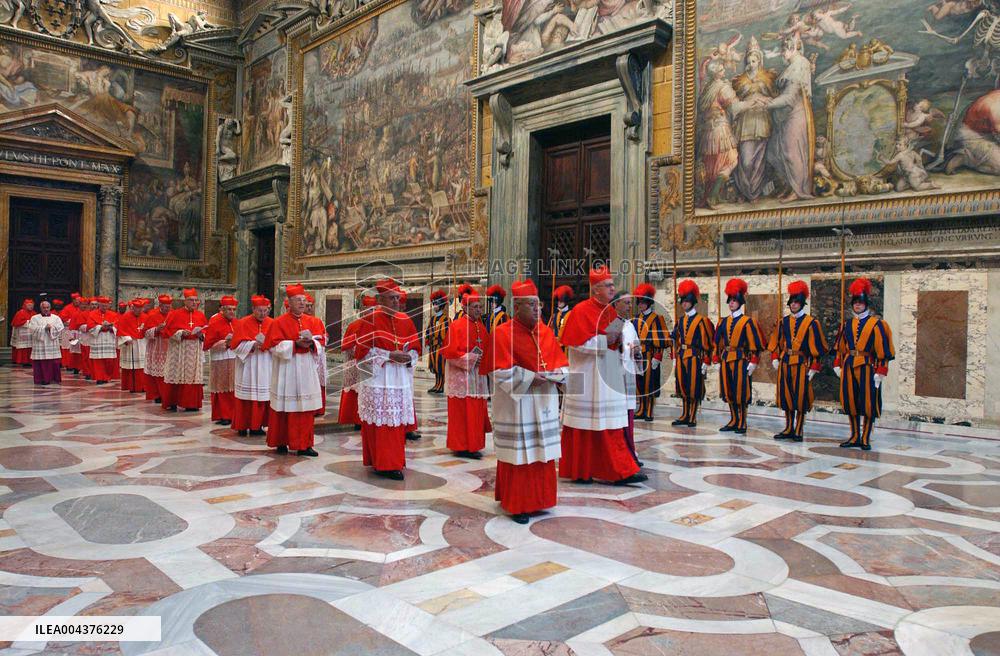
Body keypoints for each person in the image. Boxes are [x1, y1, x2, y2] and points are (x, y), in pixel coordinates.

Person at [481, 278, 568, 524]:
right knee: (520, 455)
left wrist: (559, 376)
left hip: (544, 402)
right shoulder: (502, 334)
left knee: (542, 453)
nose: (537, 309)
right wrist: (530, 378)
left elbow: (562, 363)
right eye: (531, 305)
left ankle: (541, 500)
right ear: (516, 306)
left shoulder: (546, 332)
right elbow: (497, 372)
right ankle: (518, 504)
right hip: (518, 405)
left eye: (538, 305)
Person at [558, 267, 646, 486]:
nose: (612, 288)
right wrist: (604, 341)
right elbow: (576, 344)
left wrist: (626, 346)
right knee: (585, 427)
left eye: (613, 285)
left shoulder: (609, 312)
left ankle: (621, 470)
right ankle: (582, 471)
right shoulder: (580, 311)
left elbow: (615, 342)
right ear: (595, 289)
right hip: (588, 378)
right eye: (608, 285)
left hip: (608, 378)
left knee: (611, 426)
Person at [355, 278, 420, 480]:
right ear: (380, 299)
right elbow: (362, 355)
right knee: (381, 424)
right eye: (391, 298)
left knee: (395, 423)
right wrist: (389, 356)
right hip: (379, 378)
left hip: (399, 378)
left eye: (397, 298)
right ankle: (383, 462)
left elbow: (416, 348)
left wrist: (409, 357)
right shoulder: (370, 320)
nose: (396, 302)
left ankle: (393, 461)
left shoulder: (405, 320)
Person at [833, 278, 895, 450]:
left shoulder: (878, 324)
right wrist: (837, 364)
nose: (857, 306)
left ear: (866, 304)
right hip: (849, 365)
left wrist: (881, 371)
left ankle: (866, 437)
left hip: (868, 366)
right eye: (855, 303)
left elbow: (884, 350)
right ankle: (854, 435)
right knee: (851, 402)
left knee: (868, 402)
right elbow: (840, 347)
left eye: (860, 303)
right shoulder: (846, 324)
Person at [265, 284, 325, 456]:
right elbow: (273, 346)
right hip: (287, 368)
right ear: (289, 302)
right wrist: (294, 344)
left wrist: (312, 343)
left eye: (303, 300)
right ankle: (281, 441)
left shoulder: (313, 321)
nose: (301, 303)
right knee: (285, 406)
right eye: (298, 300)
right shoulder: (278, 322)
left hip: (306, 367)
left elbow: (321, 342)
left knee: (305, 408)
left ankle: (304, 445)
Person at [767, 280, 828, 441]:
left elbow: (817, 347)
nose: (794, 305)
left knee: (800, 397)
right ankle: (788, 427)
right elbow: (776, 342)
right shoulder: (783, 322)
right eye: (792, 302)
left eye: (797, 302)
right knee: (786, 396)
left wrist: (814, 367)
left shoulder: (811, 323)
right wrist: (775, 358)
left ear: (802, 304)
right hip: (785, 362)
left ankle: (799, 429)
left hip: (802, 364)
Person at [442, 289, 491, 459]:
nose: (479, 310)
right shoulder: (456, 326)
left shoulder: (481, 327)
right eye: (476, 307)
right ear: (466, 308)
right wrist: (470, 359)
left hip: (477, 377)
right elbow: (450, 353)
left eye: (480, 307)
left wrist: (484, 359)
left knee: (476, 412)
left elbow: (487, 348)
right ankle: (461, 446)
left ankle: (474, 444)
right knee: (462, 413)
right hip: (461, 378)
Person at [713, 279, 765, 434]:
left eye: (734, 301)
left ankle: (742, 421)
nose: (731, 303)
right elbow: (717, 341)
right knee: (729, 391)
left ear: (740, 302)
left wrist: (754, 361)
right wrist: (716, 358)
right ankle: (733, 419)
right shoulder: (723, 322)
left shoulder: (748, 321)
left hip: (741, 360)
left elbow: (755, 344)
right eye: (730, 300)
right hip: (726, 359)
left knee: (741, 392)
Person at [670, 280, 715, 427]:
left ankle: (693, 416)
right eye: (682, 301)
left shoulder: (703, 321)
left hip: (695, 357)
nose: (684, 303)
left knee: (694, 386)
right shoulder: (680, 321)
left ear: (693, 302)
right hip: (681, 356)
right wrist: (675, 356)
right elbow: (675, 340)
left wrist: (706, 361)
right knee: (682, 386)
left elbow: (708, 343)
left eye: (687, 301)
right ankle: (684, 414)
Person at [231, 295, 274, 437]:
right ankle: (242, 425)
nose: (263, 314)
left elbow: (277, 343)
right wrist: (252, 344)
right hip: (248, 364)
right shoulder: (243, 323)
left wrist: (269, 345)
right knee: (245, 397)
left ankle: (257, 425)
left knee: (261, 397)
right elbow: (236, 346)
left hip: (265, 363)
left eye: (265, 311)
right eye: (260, 311)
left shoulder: (272, 323)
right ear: (253, 309)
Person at [161, 288, 208, 411]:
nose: (194, 303)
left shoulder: (201, 315)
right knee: (176, 373)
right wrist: (181, 332)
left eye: (195, 300)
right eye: (191, 300)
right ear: (185, 301)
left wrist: (201, 335)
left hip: (194, 350)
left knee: (192, 376)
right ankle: (173, 401)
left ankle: (191, 404)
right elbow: (167, 332)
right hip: (179, 349)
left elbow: (206, 331)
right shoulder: (174, 314)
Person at [632, 283, 669, 422]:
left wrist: (658, 356)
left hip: (651, 354)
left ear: (648, 303)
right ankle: (641, 408)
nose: (640, 305)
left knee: (650, 383)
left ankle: (649, 411)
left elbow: (663, 338)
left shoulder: (657, 318)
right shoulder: (636, 318)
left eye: (643, 302)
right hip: (639, 355)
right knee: (640, 383)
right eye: (639, 303)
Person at [339, 295, 375, 428]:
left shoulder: (378, 326)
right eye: (368, 309)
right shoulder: (354, 325)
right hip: (356, 365)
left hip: (372, 366)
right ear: (362, 310)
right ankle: (356, 419)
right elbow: (346, 346)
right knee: (355, 390)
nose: (370, 312)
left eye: (373, 309)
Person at [615, 292, 642, 464]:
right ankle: (622, 454)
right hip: (616, 375)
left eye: (630, 303)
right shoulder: (610, 324)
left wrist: (637, 350)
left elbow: (637, 345)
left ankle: (631, 451)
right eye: (626, 303)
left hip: (629, 373)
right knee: (619, 416)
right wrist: (625, 349)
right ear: (616, 304)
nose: (629, 306)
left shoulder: (630, 325)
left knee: (629, 414)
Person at [204, 296, 238, 425]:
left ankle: (233, 414)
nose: (231, 312)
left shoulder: (237, 322)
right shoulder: (215, 322)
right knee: (222, 387)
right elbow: (208, 344)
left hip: (234, 358)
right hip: (220, 359)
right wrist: (225, 342)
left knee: (233, 387)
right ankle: (223, 414)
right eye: (229, 309)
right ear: (222, 310)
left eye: (233, 309)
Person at [142, 295, 173, 403]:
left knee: (168, 372)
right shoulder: (152, 315)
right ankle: (157, 395)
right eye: (165, 306)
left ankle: (168, 395)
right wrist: (156, 329)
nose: (167, 309)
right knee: (157, 374)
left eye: (169, 306)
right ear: (160, 305)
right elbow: (145, 333)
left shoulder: (173, 315)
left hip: (169, 347)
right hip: (156, 347)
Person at [27, 300, 63, 385]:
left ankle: (54, 378)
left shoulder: (56, 318)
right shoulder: (35, 318)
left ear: (50, 308)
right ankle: (41, 379)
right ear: (40, 308)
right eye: (44, 308)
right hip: (40, 344)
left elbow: (60, 328)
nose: (46, 309)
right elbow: (32, 329)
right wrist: (44, 328)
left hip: (52, 343)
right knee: (41, 362)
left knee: (54, 362)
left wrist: (52, 328)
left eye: (47, 307)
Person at [304, 292, 328, 417]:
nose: (309, 308)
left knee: (319, 381)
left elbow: (325, 337)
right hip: (306, 356)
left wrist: (316, 340)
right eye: (307, 306)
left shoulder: (318, 321)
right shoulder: (300, 321)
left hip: (318, 355)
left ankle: (318, 408)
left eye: (311, 306)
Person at [87, 296, 119, 385]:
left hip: (109, 339)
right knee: (98, 361)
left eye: (106, 306)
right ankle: (99, 378)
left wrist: (111, 327)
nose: (104, 308)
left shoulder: (113, 314)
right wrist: (101, 327)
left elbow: (117, 325)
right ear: (99, 305)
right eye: (102, 306)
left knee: (109, 361)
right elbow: (90, 326)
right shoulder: (92, 314)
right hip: (98, 339)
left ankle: (107, 377)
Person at [116, 299, 146, 393]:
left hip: (142, 344)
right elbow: (121, 331)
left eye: (141, 308)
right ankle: (132, 386)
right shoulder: (125, 317)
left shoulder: (146, 317)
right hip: (130, 344)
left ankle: (142, 386)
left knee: (142, 366)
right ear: (133, 308)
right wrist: (126, 339)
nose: (139, 310)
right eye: (137, 308)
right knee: (131, 367)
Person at [425, 290, 450, 394]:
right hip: (433, 346)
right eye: (433, 304)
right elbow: (428, 331)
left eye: (436, 304)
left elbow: (448, 334)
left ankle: (441, 385)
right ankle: (436, 384)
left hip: (441, 347)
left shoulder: (446, 319)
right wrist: (428, 341)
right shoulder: (432, 319)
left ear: (441, 305)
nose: (434, 306)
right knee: (434, 366)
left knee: (441, 366)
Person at [59, 294, 82, 372]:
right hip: (68, 331)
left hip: (78, 331)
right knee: (68, 347)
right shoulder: (67, 308)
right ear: (73, 300)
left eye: (80, 301)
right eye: (77, 300)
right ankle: (68, 364)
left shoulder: (81, 308)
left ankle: (76, 365)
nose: (78, 302)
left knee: (76, 348)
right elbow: (62, 319)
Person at [10, 298, 34, 367]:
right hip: (22, 334)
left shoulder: (34, 313)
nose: (31, 307)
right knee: (23, 348)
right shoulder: (20, 313)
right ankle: (23, 361)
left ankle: (29, 361)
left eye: (32, 305)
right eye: (29, 305)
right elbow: (17, 322)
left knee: (30, 347)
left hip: (31, 335)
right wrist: (28, 322)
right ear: (25, 305)